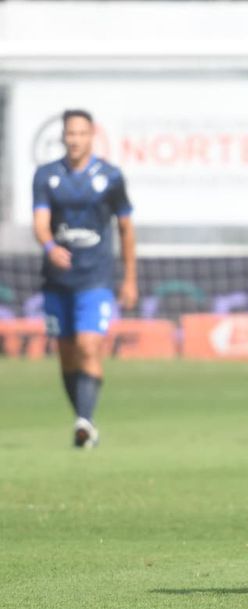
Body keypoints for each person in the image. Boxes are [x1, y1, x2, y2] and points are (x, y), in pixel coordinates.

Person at [32, 109, 136, 449]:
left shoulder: (110, 177)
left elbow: (125, 228)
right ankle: (82, 418)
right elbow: (40, 221)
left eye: (81, 133)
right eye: (69, 133)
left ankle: (85, 421)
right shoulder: (47, 176)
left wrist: (130, 278)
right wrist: (49, 246)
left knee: (88, 346)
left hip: (96, 276)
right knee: (66, 351)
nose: (74, 139)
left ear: (92, 136)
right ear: (63, 137)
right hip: (57, 279)